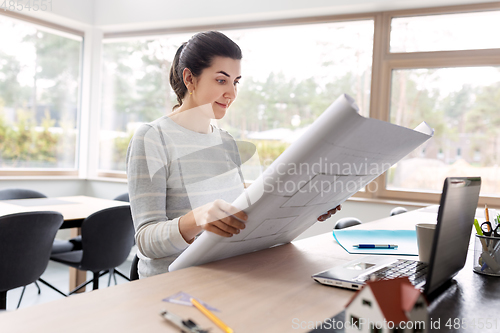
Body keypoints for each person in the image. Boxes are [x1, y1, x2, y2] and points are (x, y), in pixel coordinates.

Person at [126, 31, 340, 278]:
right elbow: (146, 241)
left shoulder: (226, 142)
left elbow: (243, 222)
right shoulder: (152, 138)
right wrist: (196, 219)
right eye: (221, 80)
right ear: (189, 79)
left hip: (230, 273)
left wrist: (306, 208)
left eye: (236, 81)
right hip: (175, 283)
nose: (232, 93)